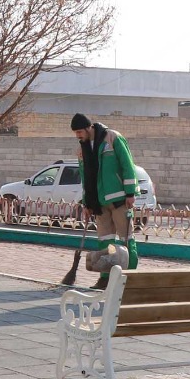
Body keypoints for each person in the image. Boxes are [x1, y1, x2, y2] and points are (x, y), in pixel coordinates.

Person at [71, 112, 138, 290]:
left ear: (88, 127)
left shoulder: (112, 138)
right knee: (105, 242)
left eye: (79, 132)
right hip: (99, 203)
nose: (78, 136)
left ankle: (130, 277)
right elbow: (86, 179)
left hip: (119, 199)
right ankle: (105, 279)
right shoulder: (82, 150)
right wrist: (87, 204)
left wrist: (130, 193)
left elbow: (127, 165)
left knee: (125, 239)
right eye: (75, 133)